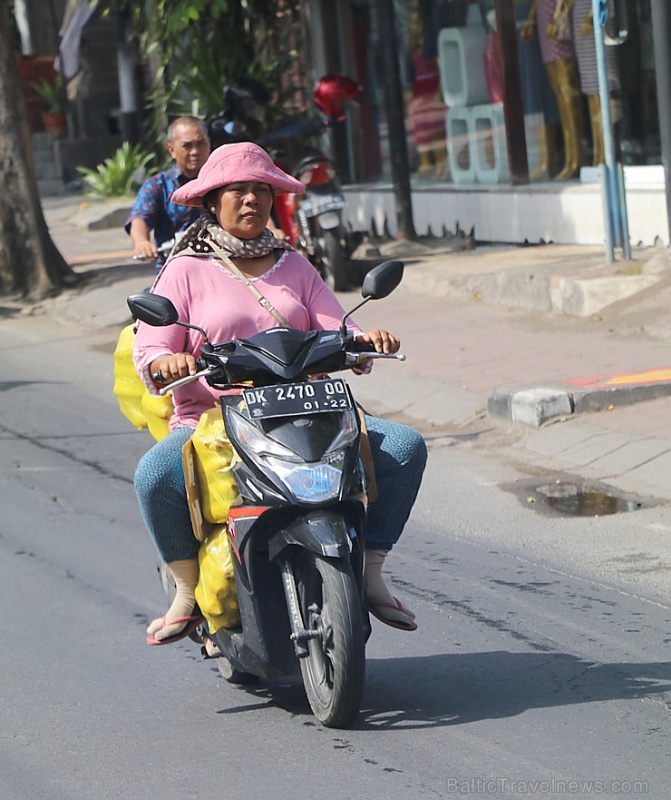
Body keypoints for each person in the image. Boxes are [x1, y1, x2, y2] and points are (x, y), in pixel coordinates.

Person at [132, 142, 428, 645]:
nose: (251, 201)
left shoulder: (294, 263)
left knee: (403, 447)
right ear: (212, 202)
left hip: (308, 410)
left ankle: (372, 570)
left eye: (261, 191)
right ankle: (185, 591)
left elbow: (338, 329)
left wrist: (364, 341)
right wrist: (168, 360)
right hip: (215, 420)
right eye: (238, 191)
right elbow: (152, 348)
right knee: (155, 475)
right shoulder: (185, 268)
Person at [125, 116, 211, 270]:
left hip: (221, 269)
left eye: (201, 143)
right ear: (171, 149)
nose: (195, 151)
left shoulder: (223, 183)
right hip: (174, 272)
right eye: (187, 146)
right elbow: (139, 219)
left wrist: (270, 230)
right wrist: (142, 242)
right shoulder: (158, 186)